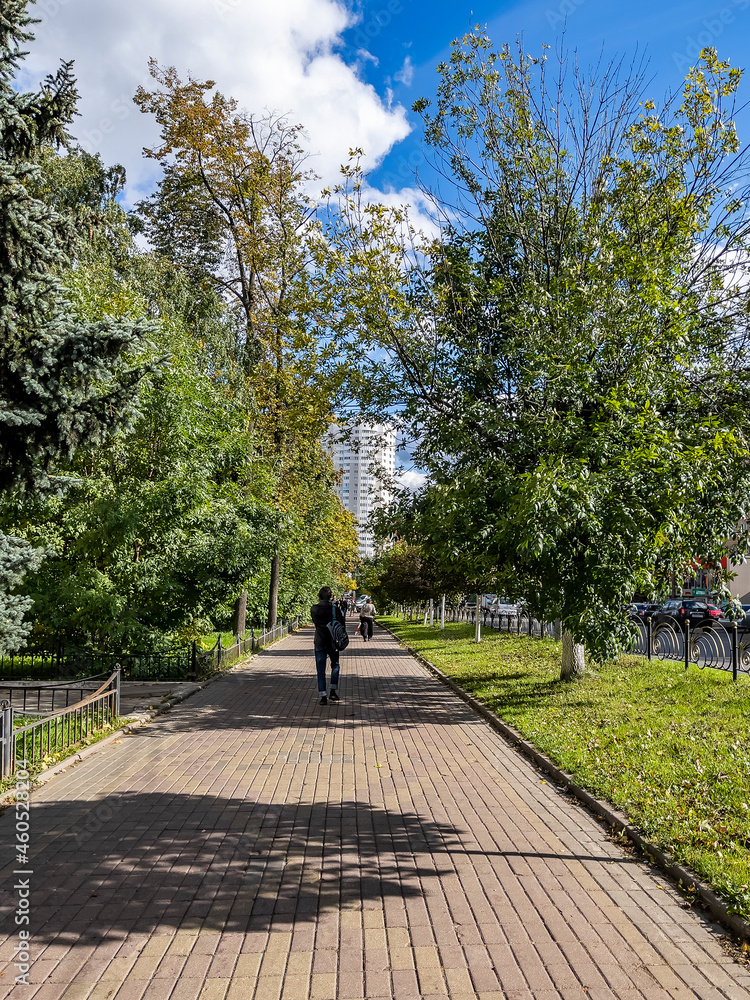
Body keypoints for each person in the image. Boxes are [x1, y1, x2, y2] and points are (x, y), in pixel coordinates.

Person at [310, 585, 341, 705]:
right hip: (333, 641)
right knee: (335, 665)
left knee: (320, 669)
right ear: (330, 596)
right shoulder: (334, 609)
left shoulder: (314, 609)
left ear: (319, 596)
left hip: (319, 641)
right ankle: (333, 691)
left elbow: (316, 622)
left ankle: (322, 696)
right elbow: (340, 624)